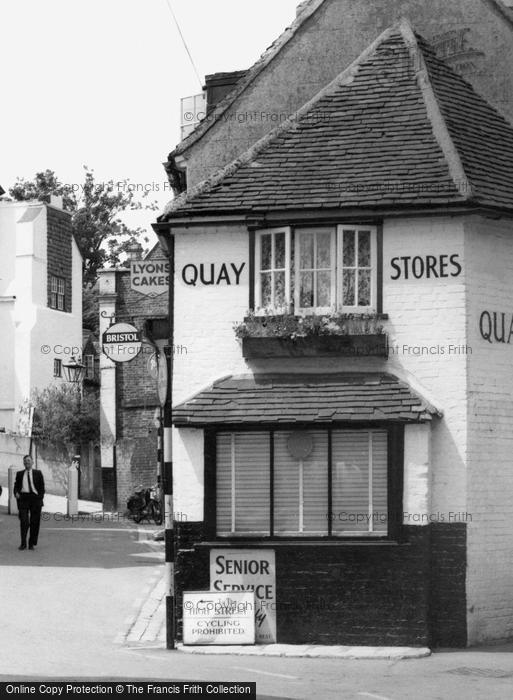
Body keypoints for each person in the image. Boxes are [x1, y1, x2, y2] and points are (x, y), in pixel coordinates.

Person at [13, 455, 45, 551]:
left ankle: (31, 543)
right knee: (24, 521)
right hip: (23, 499)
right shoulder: (19, 474)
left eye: (28, 461)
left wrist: (40, 497)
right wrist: (16, 493)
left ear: (32, 462)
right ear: (23, 463)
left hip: (35, 499)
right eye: (25, 461)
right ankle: (23, 543)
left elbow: (42, 487)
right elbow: (16, 486)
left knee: (34, 522)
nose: (27, 462)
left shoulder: (38, 473)